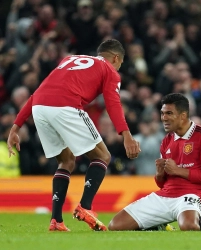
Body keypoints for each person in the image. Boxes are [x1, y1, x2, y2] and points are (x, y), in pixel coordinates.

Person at [6, 39, 141, 231]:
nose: (119, 67)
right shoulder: (110, 70)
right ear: (116, 58)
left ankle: (56, 220)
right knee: (103, 156)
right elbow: (113, 103)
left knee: (66, 160)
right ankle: (85, 207)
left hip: (40, 108)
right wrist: (126, 135)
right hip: (65, 106)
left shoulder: (70, 59)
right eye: (120, 63)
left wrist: (16, 126)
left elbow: (37, 93)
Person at [108, 93, 201, 232]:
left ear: (183, 116)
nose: (164, 118)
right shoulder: (166, 140)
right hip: (165, 196)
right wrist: (159, 174)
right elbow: (162, 184)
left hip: (191, 195)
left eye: (169, 113)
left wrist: (177, 170)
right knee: (116, 226)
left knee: (189, 226)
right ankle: (159, 226)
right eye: (162, 113)